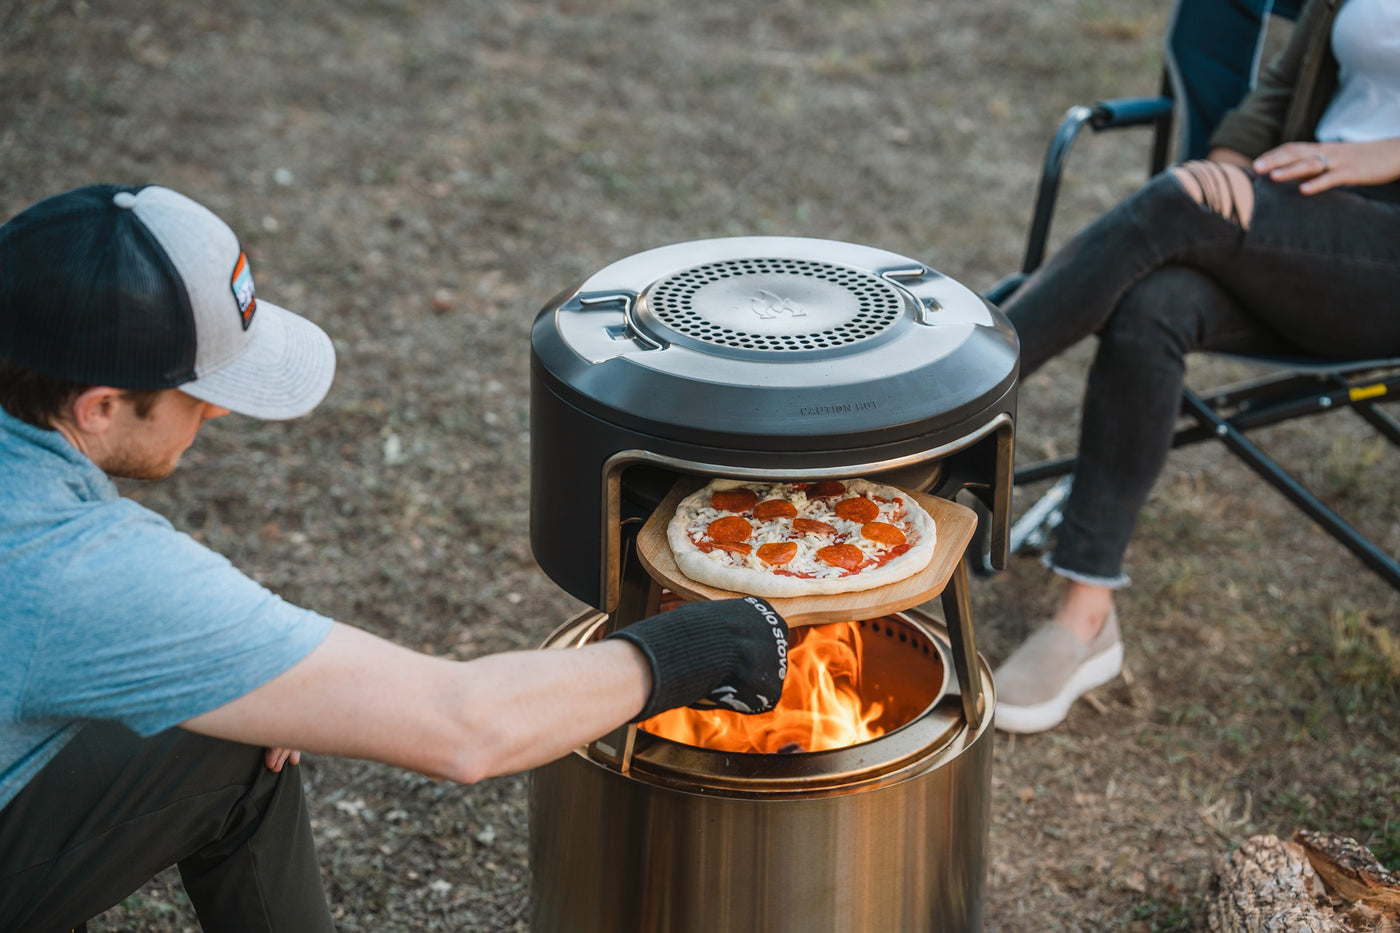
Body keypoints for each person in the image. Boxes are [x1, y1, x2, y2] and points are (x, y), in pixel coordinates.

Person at [0, 183, 791, 931]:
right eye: (200, 391)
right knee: (236, 732)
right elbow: (463, 726)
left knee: (234, 720)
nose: (216, 408)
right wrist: (695, 647)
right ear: (99, 406)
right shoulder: (71, 563)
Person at [992, 0, 1400, 734]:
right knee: (1158, 301)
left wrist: (1388, 152)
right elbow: (1281, 84)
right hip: (1302, 215)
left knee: (1181, 203)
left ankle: (942, 392)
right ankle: (1086, 618)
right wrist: (1230, 168)